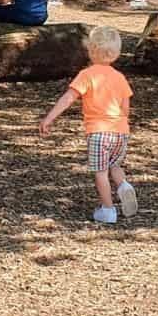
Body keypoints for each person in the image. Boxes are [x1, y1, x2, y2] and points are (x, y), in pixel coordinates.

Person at [38, 25, 138, 225]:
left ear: (91, 50)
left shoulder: (87, 75)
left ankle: (108, 210)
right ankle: (123, 185)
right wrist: (121, 124)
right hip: (120, 131)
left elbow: (68, 98)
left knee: (100, 171)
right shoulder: (119, 78)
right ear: (117, 53)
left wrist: (49, 118)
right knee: (114, 165)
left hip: (99, 132)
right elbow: (125, 108)